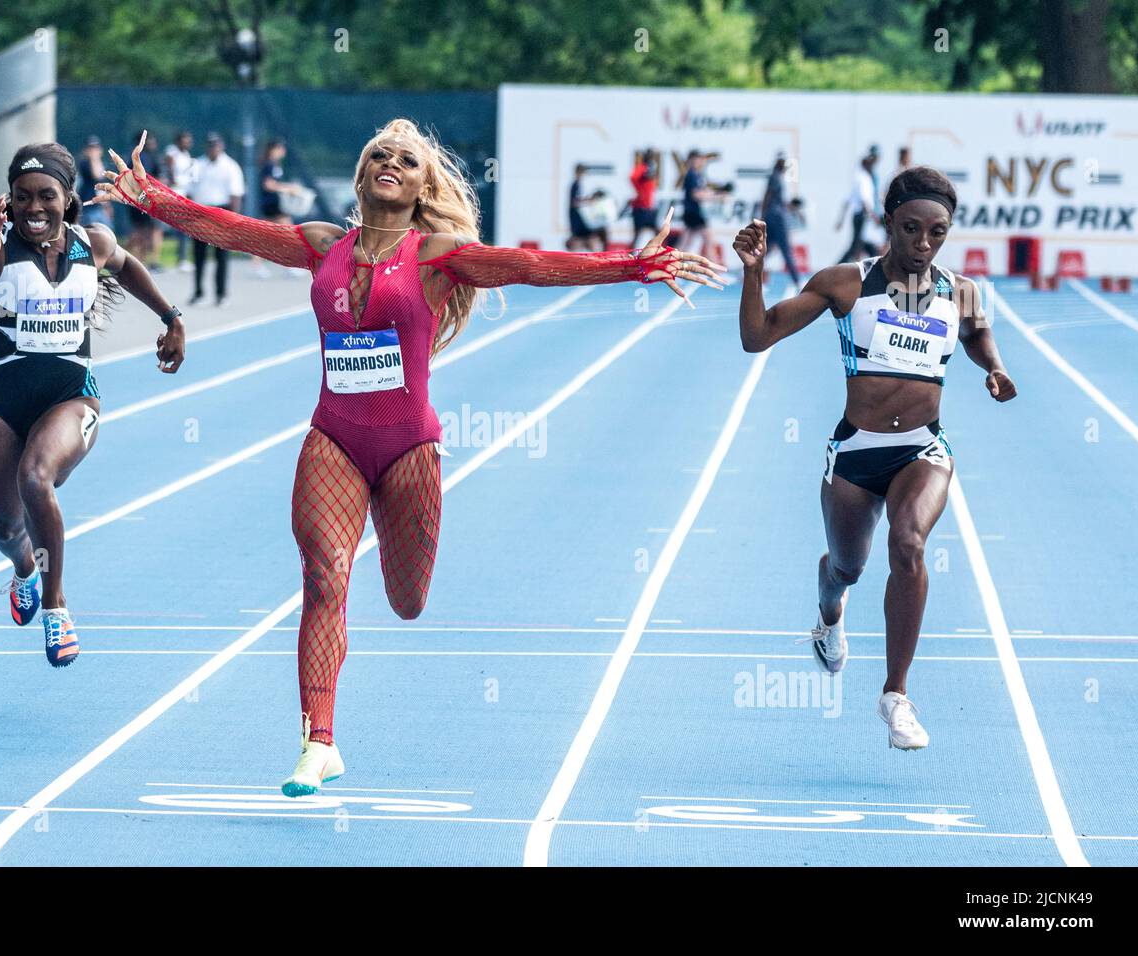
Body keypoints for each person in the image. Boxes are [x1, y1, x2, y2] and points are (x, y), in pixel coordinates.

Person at [94, 120, 723, 795]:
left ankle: (338, 705)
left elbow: (531, 267)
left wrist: (629, 266)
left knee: (407, 600)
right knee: (325, 579)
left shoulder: (440, 254)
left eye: (406, 159)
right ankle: (319, 740)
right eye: (377, 156)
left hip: (408, 448)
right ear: (362, 178)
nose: (389, 162)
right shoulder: (321, 245)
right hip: (332, 436)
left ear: (425, 187)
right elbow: (232, 228)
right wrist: (152, 198)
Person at [734, 166, 1017, 750]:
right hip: (857, 454)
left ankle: (895, 695)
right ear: (887, 222)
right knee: (847, 568)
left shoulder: (961, 292)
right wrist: (754, 274)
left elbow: (975, 335)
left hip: (923, 449)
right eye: (911, 229)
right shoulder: (845, 284)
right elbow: (757, 336)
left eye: (937, 233)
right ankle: (829, 612)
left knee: (909, 542)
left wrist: (994, 367)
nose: (923, 244)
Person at [0, 143, 186, 667]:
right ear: (9, 200)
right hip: (5, 400)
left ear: (67, 198)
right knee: (3, 524)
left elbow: (128, 263)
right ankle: (24, 569)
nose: (34, 208)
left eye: (46, 195)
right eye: (22, 197)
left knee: (35, 477)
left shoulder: (91, 243)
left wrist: (171, 316)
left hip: (73, 395)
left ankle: (56, 606)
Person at [187, 132, 244, 307]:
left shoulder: (230, 166)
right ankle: (198, 292)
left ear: (221, 147)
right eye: (210, 145)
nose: (213, 149)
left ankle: (221, 293)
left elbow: (236, 194)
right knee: (199, 255)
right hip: (200, 212)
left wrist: (233, 221)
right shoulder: (198, 164)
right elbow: (189, 190)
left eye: (216, 145)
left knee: (221, 255)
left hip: (221, 212)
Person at [256, 138, 299, 277]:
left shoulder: (275, 165)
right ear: (273, 149)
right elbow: (267, 185)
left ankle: (257, 264)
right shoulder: (269, 165)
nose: (283, 151)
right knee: (289, 234)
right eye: (280, 148)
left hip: (274, 204)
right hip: (271, 204)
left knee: (266, 236)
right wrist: (287, 188)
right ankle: (290, 266)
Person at [760, 153, 802, 288]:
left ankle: (748, 271)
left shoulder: (777, 177)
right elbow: (768, 196)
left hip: (772, 216)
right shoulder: (775, 177)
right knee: (785, 248)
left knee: (766, 248)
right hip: (777, 219)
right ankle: (797, 280)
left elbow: (774, 199)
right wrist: (762, 215)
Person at [125, 131, 164, 270]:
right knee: (150, 230)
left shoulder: (132, 157)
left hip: (134, 198)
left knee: (140, 230)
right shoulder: (146, 158)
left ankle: (137, 259)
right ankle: (146, 259)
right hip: (146, 198)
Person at [834, 147, 879, 263]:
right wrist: (873, 216)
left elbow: (847, 201)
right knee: (856, 246)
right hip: (862, 216)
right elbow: (865, 201)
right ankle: (837, 267)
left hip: (860, 216)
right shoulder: (864, 179)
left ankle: (873, 267)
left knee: (862, 245)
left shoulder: (860, 178)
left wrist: (841, 220)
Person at [162, 130, 195, 272]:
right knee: (164, 227)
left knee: (183, 226)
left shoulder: (187, 156)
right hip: (172, 192)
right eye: (185, 140)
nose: (188, 143)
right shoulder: (172, 151)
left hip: (183, 194)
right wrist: (172, 180)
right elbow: (169, 167)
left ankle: (181, 258)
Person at [679, 150, 719, 259]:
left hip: (693, 212)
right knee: (708, 239)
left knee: (686, 243)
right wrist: (714, 196)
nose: (701, 161)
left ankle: (672, 265)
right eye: (698, 159)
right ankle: (716, 269)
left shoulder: (697, 175)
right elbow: (695, 194)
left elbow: (701, 191)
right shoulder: (692, 175)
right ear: (691, 160)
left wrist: (713, 193)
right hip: (694, 213)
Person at [77, 136, 111, 231]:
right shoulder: (85, 163)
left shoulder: (103, 165)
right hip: (88, 207)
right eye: (91, 148)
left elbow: (104, 186)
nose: (94, 151)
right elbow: (97, 175)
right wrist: (94, 158)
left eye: (96, 148)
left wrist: (108, 206)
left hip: (100, 207)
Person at [629, 148, 659, 249]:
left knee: (656, 233)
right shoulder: (643, 168)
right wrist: (639, 189)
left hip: (648, 206)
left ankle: (657, 251)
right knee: (638, 234)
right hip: (641, 207)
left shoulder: (651, 167)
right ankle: (630, 254)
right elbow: (633, 177)